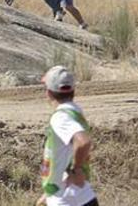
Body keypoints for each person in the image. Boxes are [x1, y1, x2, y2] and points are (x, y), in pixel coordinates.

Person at [37, 66, 97, 206]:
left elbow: (83, 142)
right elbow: (65, 154)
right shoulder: (74, 110)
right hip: (81, 195)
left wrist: (76, 169)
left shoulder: (60, 117)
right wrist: (48, 193)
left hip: (66, 199)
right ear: (73, 91)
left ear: (49, 93)